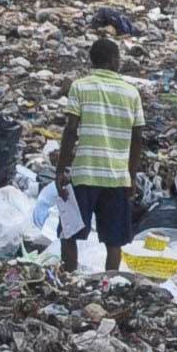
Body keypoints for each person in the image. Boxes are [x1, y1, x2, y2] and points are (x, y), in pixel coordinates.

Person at [55, 37, 149, 253]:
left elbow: (70, 130)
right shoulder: (131, 93)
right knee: (114, 242)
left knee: (69, 233)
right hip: (117, 177)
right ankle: (110, 283)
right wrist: (131, 176)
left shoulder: (80, 87)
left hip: (83, 175)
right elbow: (137, 137)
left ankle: (69, 280)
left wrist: (61, 169)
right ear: (114, 61)